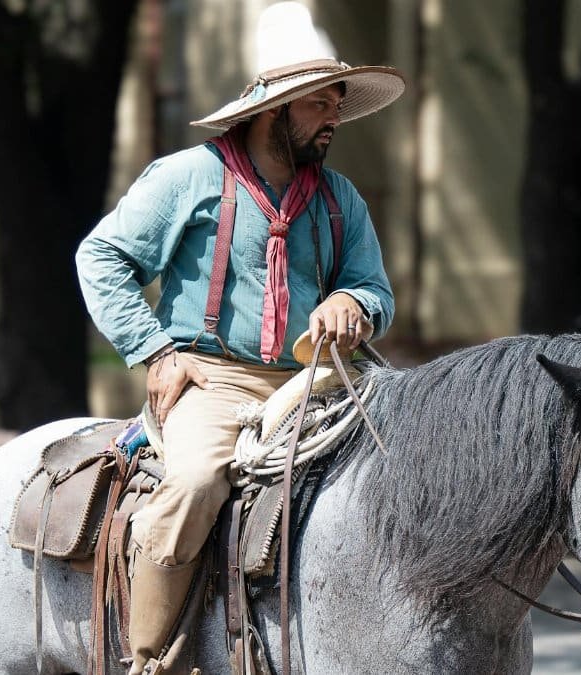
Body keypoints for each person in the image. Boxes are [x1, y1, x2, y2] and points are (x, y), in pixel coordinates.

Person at [75, 3, 403, 673]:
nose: (333, 116)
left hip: (316, 381)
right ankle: (149, 658)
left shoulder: (341, 198)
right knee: (195, 481)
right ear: (271, 108)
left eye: (337, 101)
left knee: (405, 468)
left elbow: (376, 290)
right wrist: (154, 351)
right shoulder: (186, 178)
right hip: (213, 379)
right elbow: (100, 257)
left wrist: (351, 302)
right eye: (317, 102)